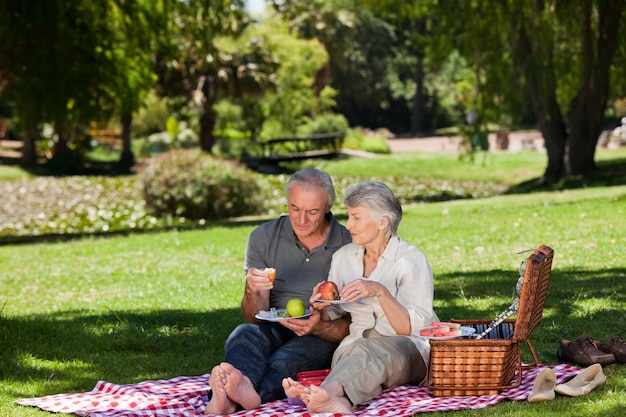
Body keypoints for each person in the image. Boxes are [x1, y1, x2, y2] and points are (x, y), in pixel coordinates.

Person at [204, 168, 352, 415]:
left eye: (312, 211)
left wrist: (319, 328)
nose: (301, 219)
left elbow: (356, 324)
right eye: (295, 208)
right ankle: (234, 395)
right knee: (244, 334)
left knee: (284, 360)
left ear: (327, 208)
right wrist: (252, 291)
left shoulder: (349, 243)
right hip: (275, 324)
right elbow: (254, 317)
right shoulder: (263, 237)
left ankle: (233, 399)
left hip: (322, 334)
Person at [282, 180, 439, 414]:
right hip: (355, 346)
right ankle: (335, 400)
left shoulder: (410, 259)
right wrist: (321, 308)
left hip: (409, 349)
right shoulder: (344, 257)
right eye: (348, 216)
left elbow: (410, 329)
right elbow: (335, 312)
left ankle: (319, 393)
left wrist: (380, 292)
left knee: (369, 351)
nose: (348, 225)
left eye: (356, 217)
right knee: (355, 351)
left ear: (382, 222)